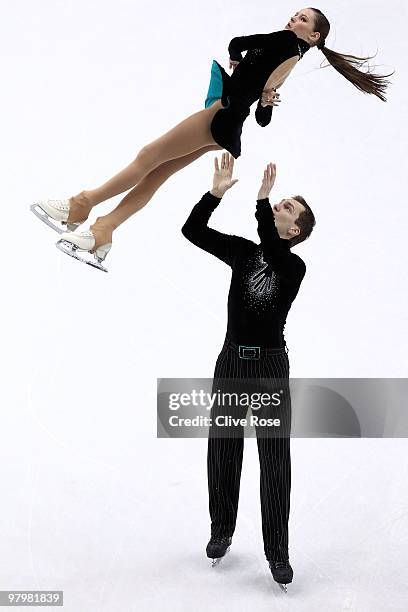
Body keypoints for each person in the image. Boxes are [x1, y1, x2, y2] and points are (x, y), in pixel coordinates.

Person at [31, 7, 391, 270]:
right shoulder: (291, 61)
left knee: (147, 156)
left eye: (302, 20)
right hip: (229, 129)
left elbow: (238, 42)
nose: (292, 20)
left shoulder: (284, 42)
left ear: (313, 36)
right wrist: (264, 96)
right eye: (294, 15)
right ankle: (103, 231)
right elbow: (264, 118)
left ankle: (81, 205)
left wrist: (237, 61)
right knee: (157, 173)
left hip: (219, 114)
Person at [181, 152, 315, 590]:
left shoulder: (292, 266)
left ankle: (278, 554)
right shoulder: (242, 251)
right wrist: (213, 194)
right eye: (281, 203)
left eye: (287, 208)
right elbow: (193, 231)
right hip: (232, 360)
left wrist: (261, 200)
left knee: (274, 460)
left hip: (271, 366)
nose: (280, 206)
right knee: (223, 449)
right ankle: (222, 530)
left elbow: (273, 253)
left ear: (295, 231)